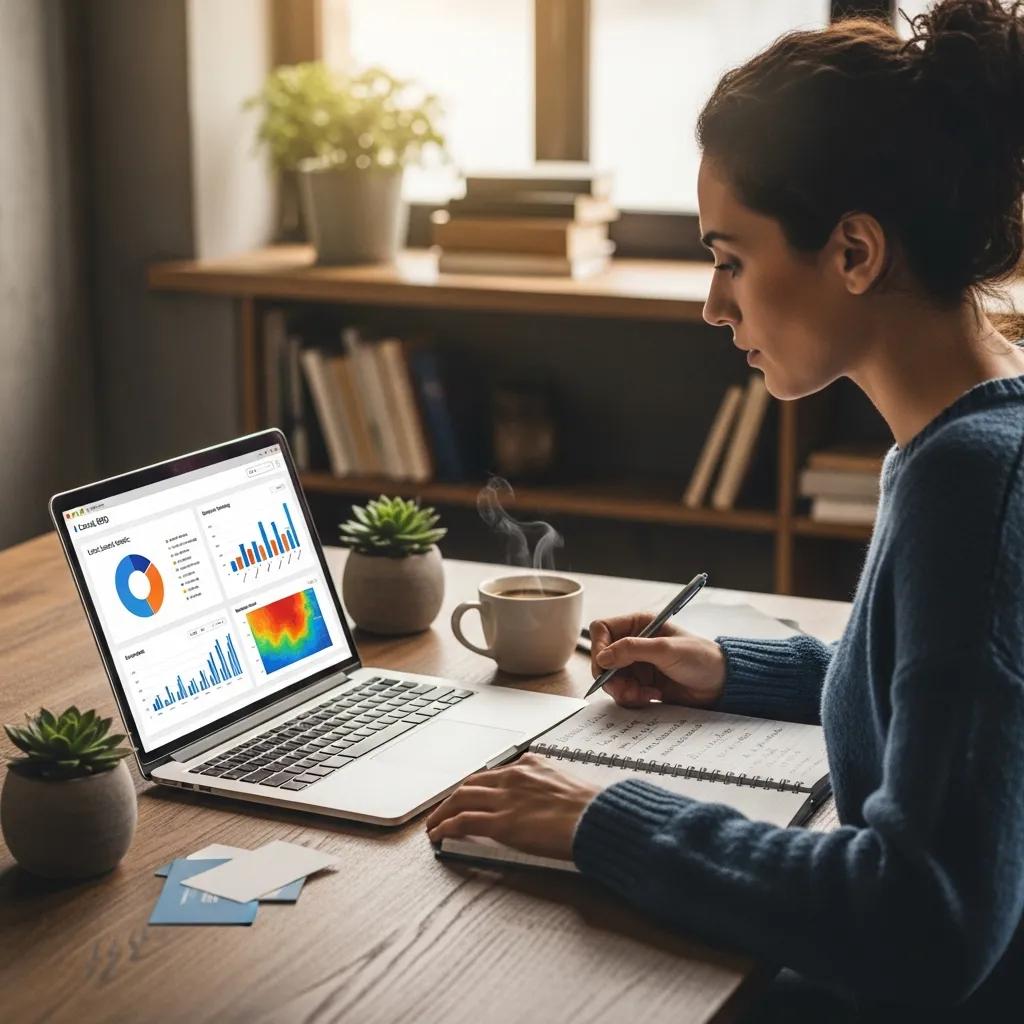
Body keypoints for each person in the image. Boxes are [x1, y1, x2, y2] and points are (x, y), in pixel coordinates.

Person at [425, 1, 1024, 1018]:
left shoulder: (969, 482)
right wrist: (736, 667)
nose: (712, 303)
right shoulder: (977, 426)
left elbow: (921, 921)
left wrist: (600, 815)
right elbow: (955, 700)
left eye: (730, 257)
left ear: (854, 253)